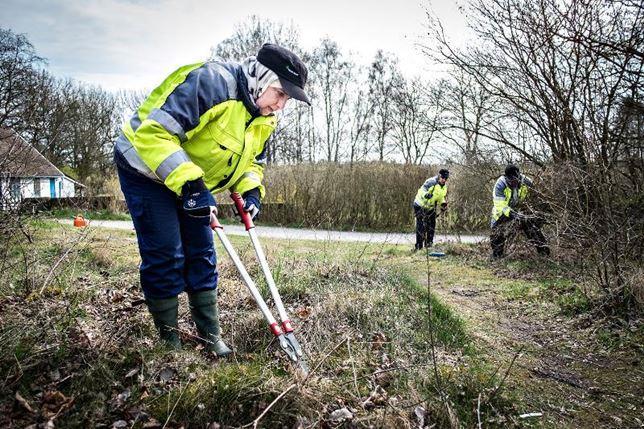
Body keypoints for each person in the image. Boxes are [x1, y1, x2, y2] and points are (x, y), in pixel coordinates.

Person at [113, 43, 310, 355]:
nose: (281, 105)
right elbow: (154, 134)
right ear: (261, 78)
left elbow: (249, 162)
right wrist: (192, 185)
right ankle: (170, 343)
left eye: (287, 98)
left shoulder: (263, 116)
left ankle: (211, 338)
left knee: (202, 253)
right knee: (167, 252)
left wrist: (251, 189)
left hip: (191, 179)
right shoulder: (212, 84)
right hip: (145, 168)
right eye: (280, 93)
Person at [490, 164, 549, 259]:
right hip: (503, 211)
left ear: (519, 176)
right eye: (511, 180)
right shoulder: (500, 184)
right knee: (496, 232)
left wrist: (532, 211)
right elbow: (500, 205)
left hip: (521, 209)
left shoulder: (527, 181)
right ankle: (497, 256)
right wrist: (513, 214)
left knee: (532, 227)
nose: (513, 182)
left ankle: (544, 253)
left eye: (515, 180)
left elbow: (535, 197)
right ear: (506, 177)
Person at [412, 169, 449, 250]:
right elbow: (422, 190)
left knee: (431, 226)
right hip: (420, 205)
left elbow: (440, 197)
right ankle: (419, 246)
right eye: (442, 178)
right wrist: (426, 194)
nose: (444, 180)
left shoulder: (444, 187)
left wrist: (443, 203)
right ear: (439, 176)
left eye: (446, 178)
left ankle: (429, 245)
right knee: (420, 226)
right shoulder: (431, 182)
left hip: (430, 207)